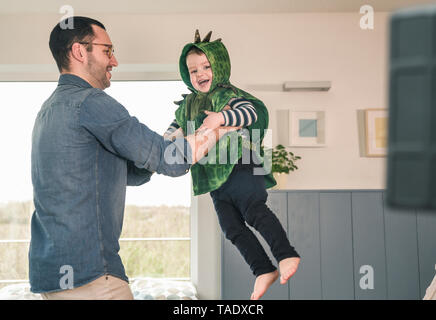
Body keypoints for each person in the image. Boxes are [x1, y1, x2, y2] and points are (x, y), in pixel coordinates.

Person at [30, 17, 235, 300]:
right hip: (92, 277)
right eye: (107, 51)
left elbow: (129, 172)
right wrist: (220, 127)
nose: (114, 61)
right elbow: (173, 162)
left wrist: (163, 142)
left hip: (54, 277)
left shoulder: (49, 110)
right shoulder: (90, 102)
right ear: (79, 52)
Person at [164, 30, 301, 300]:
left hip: (242, 164)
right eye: (193, 70)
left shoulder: (229, 95)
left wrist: (222, 118)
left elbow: (251, 112)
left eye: (206, 67)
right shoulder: (189, 104)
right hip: (216, 176)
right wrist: (166, 140)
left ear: (220, 67)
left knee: (254, 211)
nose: (199, 73)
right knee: (230, 227)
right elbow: (175, 129)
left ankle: (286, 255)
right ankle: (263, 269)